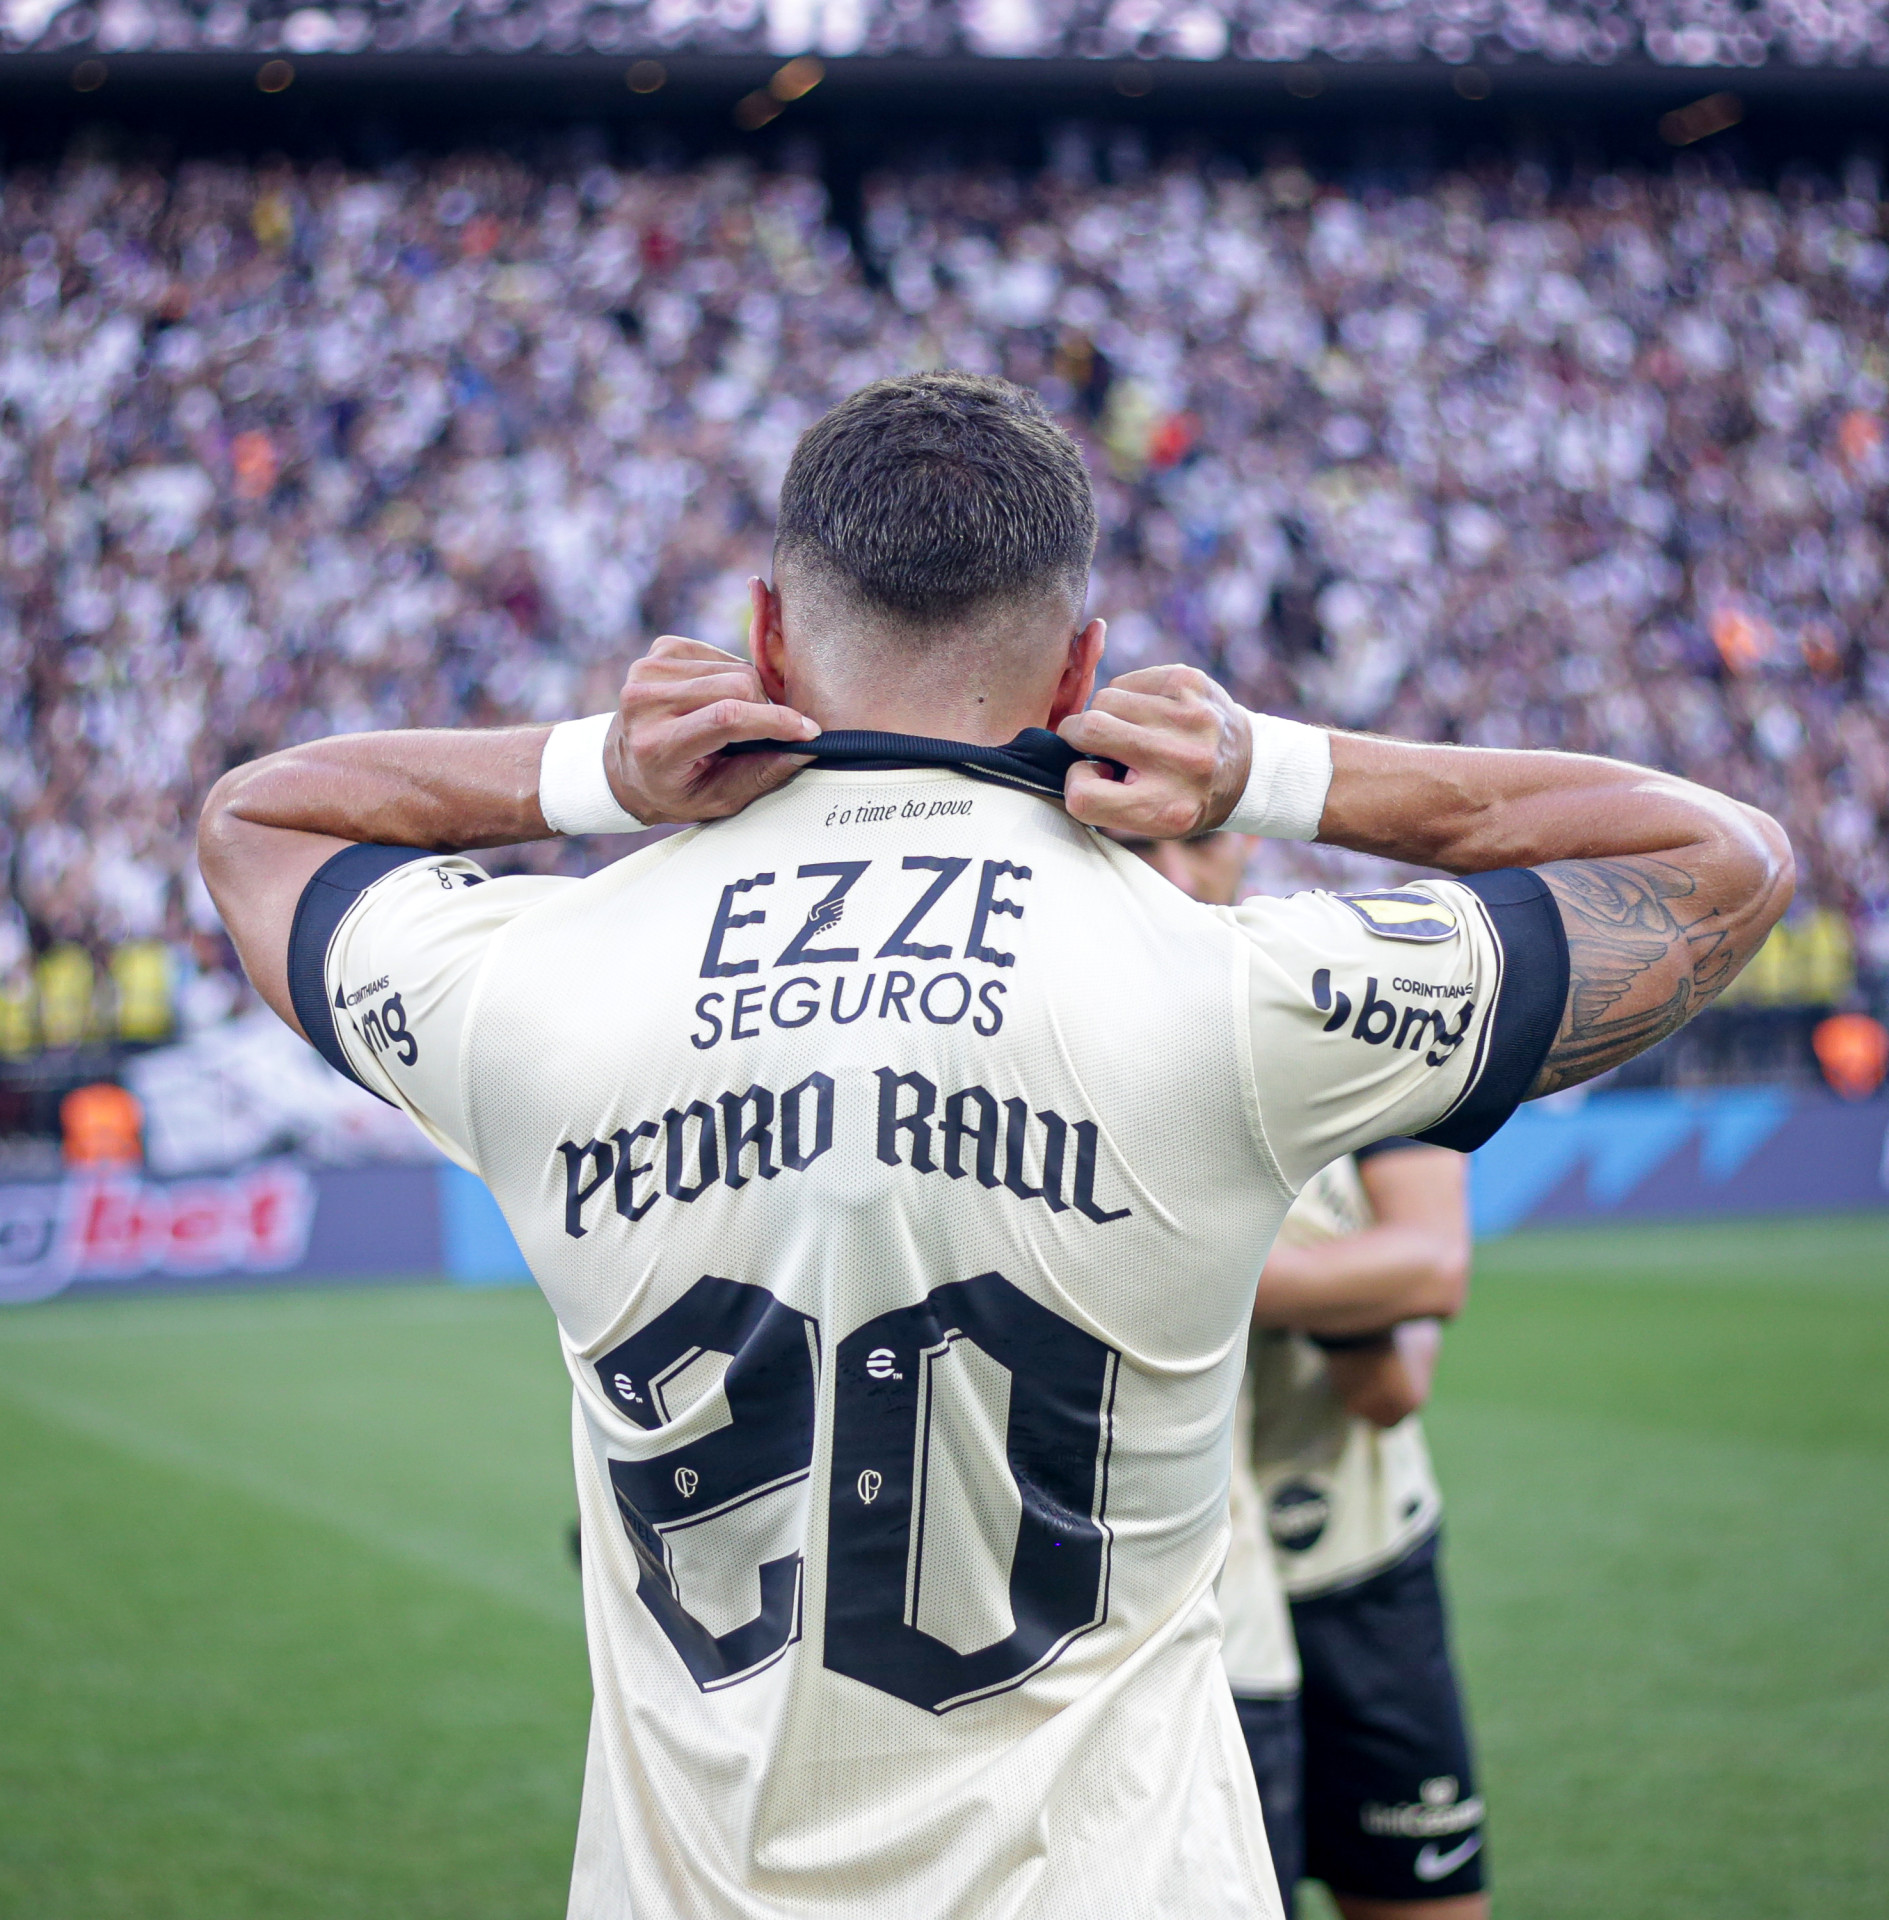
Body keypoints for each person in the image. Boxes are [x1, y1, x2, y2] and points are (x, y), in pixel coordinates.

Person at [196, 372, 1791, 1920]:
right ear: (1081, 660)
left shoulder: (542, 984)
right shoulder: (1218, 990)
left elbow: (257, 825)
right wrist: (1270, 768)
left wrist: (592, 770)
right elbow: (1715, 864)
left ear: (764, 637)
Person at [1124, 831, 1484, 1918]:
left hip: (1362, 1554)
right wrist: (1340, 1276)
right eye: (1137, 849)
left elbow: (1412, 1321)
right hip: (1187, 1595)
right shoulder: (1074, 1029)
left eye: (1193, 843)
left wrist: (1195, 1252)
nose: (1175, 878)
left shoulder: (1345, 999)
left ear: (1241, 841)